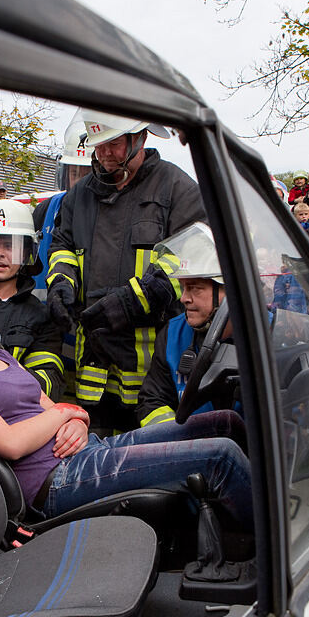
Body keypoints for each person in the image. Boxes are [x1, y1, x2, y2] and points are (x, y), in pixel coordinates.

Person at [0, 251, 253, 527]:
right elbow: (11, 442)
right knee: (218, 455)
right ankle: (264, 551)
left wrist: (76, 421)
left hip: (85, 449)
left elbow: (48, 406)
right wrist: (67, 413)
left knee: (223, 423)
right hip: (54, 480)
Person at [46, 109, 205, 432]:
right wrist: (61, 282)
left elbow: (190, 259)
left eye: (114, 144)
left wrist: (131, 302)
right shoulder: (79, 195)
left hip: (150, 365)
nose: (104, 154)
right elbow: (62, 246)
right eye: (98, 145)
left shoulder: (178, 189)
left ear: (140, 138)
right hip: (92, 365)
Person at [136, 223, 245, 428]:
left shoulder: (270, 334)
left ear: (229, 289)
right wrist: (180, 437)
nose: (184, 298)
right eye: (183, 287)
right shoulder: (173, 334)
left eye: (195, 288)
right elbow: (152, 401)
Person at [0, 200, 65, 400]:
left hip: (14, 412)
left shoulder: (41, 317)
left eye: (9, 245)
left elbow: (49, 383)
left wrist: (0, 370)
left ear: (26, 252)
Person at [31, 109, 95, 293]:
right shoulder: (46, 210)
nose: (78, 182)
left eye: (86, 174)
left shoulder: (108, 214)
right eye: (74, 173)